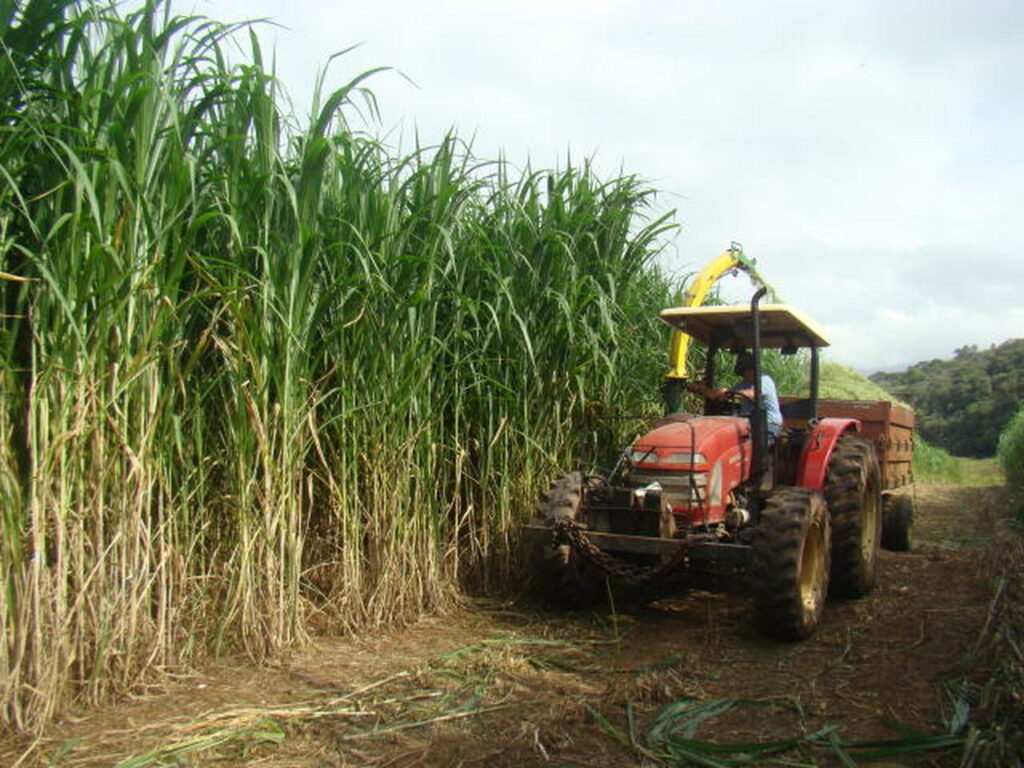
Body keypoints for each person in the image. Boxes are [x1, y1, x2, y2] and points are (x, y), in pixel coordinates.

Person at [684, 351, 783, 440]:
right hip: (748, 423)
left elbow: (752, 393)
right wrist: (699, 389)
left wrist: (729, 393)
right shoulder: (743, 384)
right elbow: (718, 396)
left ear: (753, 369)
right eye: (743, 372)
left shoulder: (765, 380)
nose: (745, 375)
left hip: (768, 425)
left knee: (743, 440)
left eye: (746, 371)